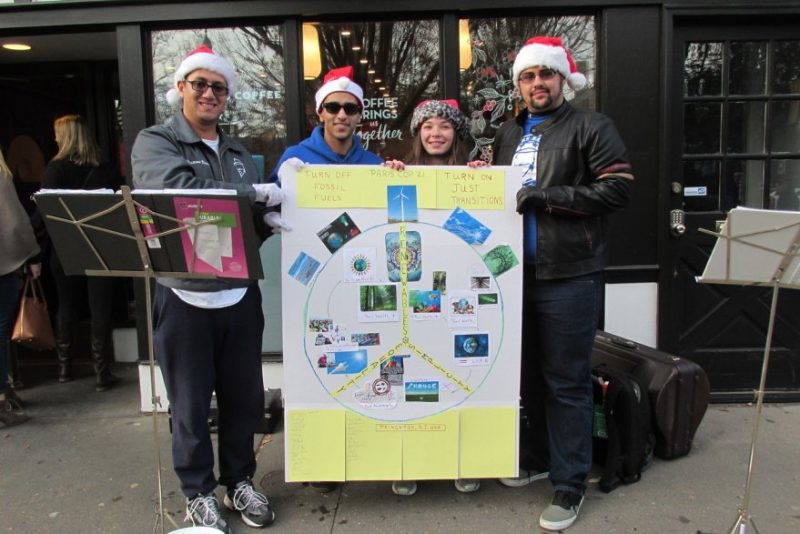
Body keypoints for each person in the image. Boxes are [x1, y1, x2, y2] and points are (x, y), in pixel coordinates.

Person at [131, 45, 282, 532]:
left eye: (218, 87)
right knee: (191, 404)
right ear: (181, 89)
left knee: (244, 399)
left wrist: (268, 219)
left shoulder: (239, 153)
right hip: (184, 294)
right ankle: (198, 492)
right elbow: (177, 194)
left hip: (238, 293)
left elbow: (242, 225)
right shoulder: (156, 142)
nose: (210, 94)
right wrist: (252, 196)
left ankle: (239, 480)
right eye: (200, 84)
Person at [492, 36, 633, 531]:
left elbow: (618, 188)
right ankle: (537, 459)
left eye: (545, 75)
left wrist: (547, 197)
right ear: (519, 85)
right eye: (528, 77)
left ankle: (569, 484)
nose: (537, 84)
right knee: (525, 375)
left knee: (566, 383)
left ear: (563, 80)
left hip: (569, 274)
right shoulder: (507, 135)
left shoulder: (591, 126)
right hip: (514, 275)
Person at [267, 66, 383, 492]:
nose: (341, 114)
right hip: (313, 285)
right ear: (321, 113)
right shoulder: (296, 158)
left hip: (360, 281)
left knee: (362, 365)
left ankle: (363, 451)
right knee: (320, 367)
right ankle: (321, 460)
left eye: (350, 108)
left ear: (359, 115)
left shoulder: (371, 163)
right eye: (333, 106)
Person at [384, 98, 485, 496]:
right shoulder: (401, 173)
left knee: (456, 373)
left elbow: (483, 229)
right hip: (411, 288)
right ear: (417, 134)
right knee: (408, 375)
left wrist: (483, 180)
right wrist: (385, 177)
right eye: (427, 127)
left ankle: (462, 460)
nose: (436, 133)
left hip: (456, 290)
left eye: (444, 126)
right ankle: (405, 461)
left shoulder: (473, 174)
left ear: (457, 133)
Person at [38, 114, 120, 391]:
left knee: (66, 305)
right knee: (100, 308)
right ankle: (102, 372)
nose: (54, 138)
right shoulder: (105, 169)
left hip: (65, 247)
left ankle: (64, 368)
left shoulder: (55, 169)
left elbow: (44, 214)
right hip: (100, 247)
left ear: (65, 136)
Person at [0, 148, 41, 427]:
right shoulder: (1, 176)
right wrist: (32, 255)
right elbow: (14, 223)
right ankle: (2, 399)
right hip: (3, 266)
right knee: (1, 329)